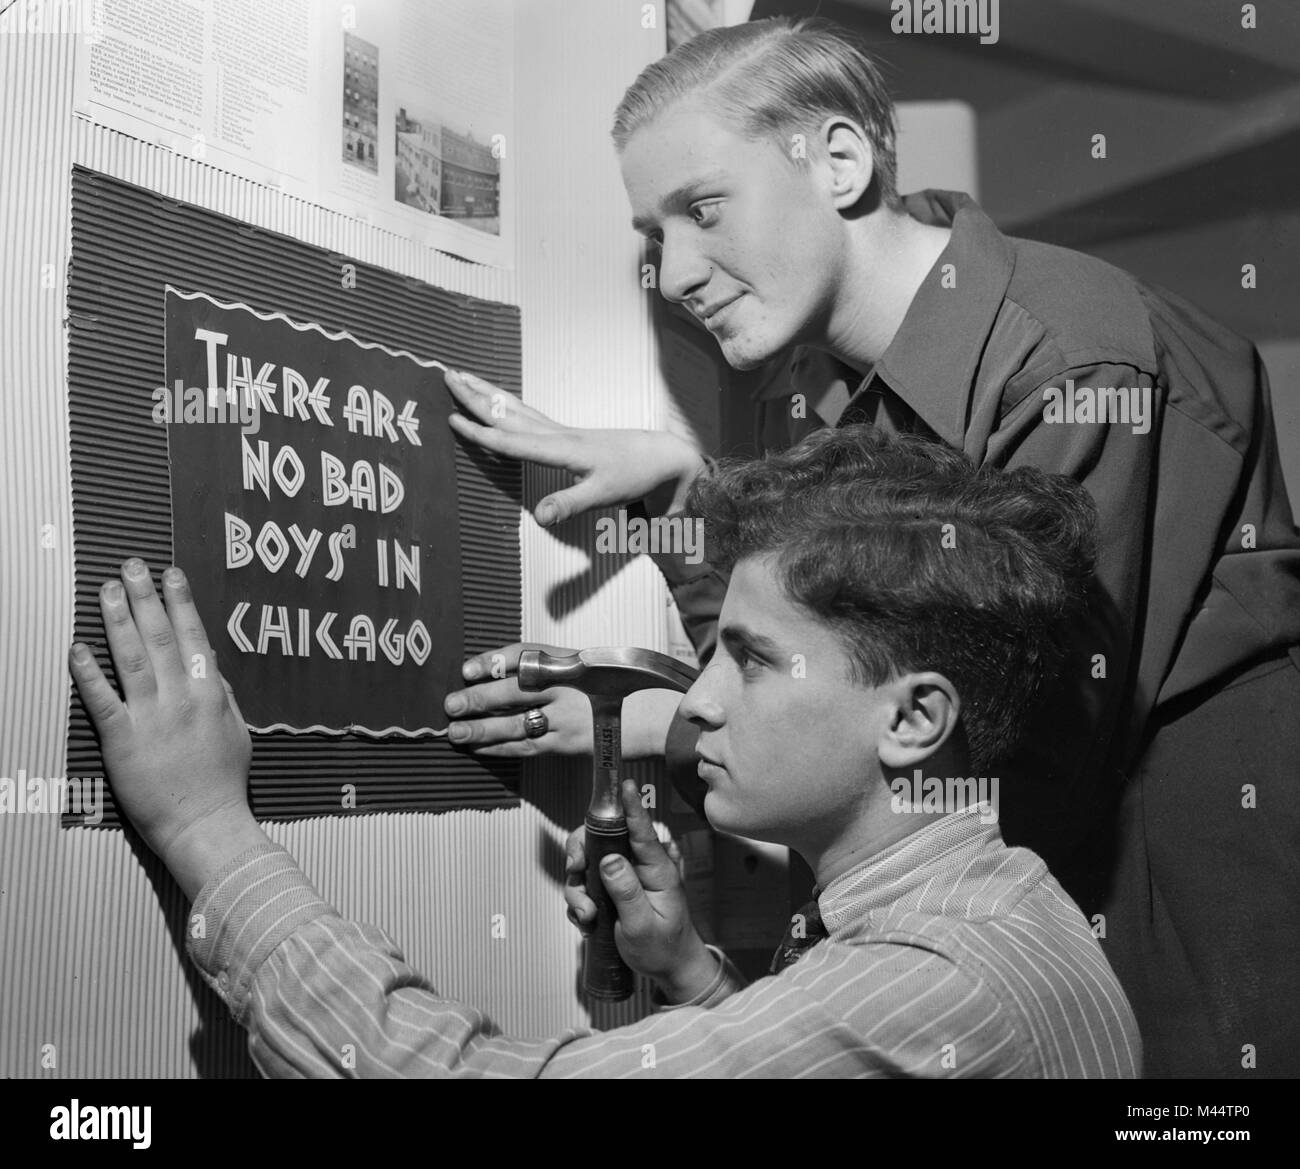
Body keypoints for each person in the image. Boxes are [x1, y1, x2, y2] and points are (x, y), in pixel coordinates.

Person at [440, 17, 1300, 1078]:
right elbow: (811, 641)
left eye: (702, 210)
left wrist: (649, 720)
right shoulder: (820, 399)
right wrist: (681, 494)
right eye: (653, 236)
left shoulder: (1073, 360)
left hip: (1176, 971)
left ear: (839, 161)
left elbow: (989, 756)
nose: (671, 275)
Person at [69, 426, 1140, 1078]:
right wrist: (690, 975)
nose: (698, 703)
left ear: (912, 720)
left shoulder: (945, 982)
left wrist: (209, 832)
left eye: (753, 662)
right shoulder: (993, 907)